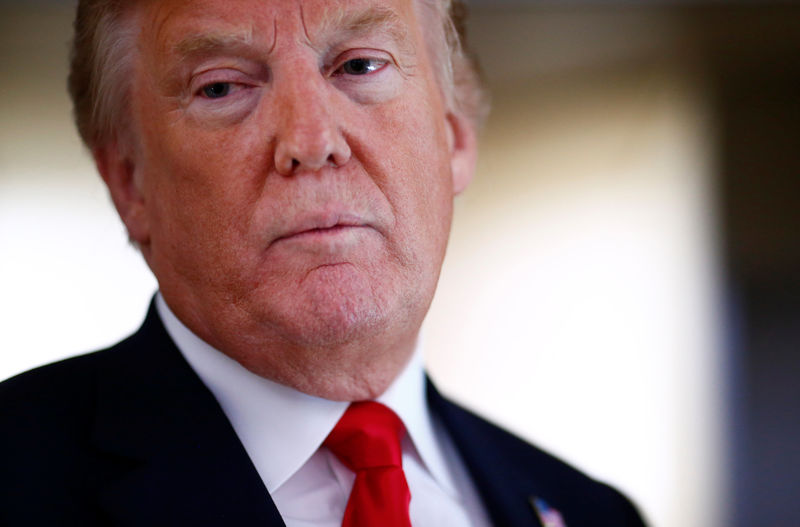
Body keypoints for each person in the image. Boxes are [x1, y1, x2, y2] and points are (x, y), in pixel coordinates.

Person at [0, 0, 646, 525]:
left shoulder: (594, 512)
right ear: (129, 181)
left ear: (454, 138)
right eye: (222, 86)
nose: (312, 142)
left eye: (361, 65)